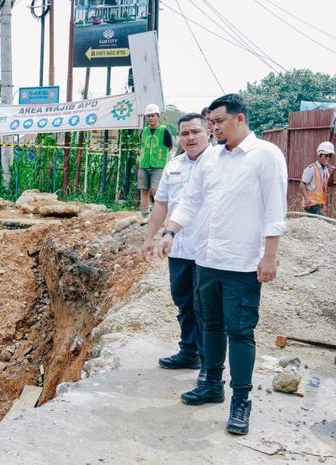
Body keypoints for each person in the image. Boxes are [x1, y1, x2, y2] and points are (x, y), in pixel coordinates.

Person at [157, 94, 287, 436]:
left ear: (240, 119)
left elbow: (275, 211)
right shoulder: (211, 159)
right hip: (207, 260)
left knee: (240, 332)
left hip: (243, 263)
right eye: (210, 123)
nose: (212, 129)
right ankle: (211, 384)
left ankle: (240, 401)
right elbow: (190, 202)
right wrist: (170, 231)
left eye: (218, 122)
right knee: (211, 325)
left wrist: (269, 257)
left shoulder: (266, 156)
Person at [142, 113, 212, 385]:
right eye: (184, 134)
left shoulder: (218, 164)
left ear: (208, 132)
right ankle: (189, 351)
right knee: (183, 301)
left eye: (195, 132)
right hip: (179, 248)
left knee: (205, 307)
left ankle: (209, 364)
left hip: (208, 250)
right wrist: (150, 237)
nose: (190, 138)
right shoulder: (175, 165)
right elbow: (161, 204)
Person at [138, 103, 174, 218]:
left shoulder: (164, 131)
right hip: (144, 165)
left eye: (153, 115)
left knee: (156, 191)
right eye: (148, 116)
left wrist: (159, 156)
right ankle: (145, 215)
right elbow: (142, 146)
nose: (150, 118)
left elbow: (169, 146)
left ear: (158, 116)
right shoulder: (143, 131)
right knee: (144, 190)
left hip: (158, 166)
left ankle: (159, 214)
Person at [300, 141, 335, 217]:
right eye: (325, 155)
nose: (328, 158)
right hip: (311, 204)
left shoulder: (325, 170)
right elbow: (302, 185)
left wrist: (332, 174)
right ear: (320, 154)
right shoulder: (311, 168)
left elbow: (330, 184)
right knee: (323, 221)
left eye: (330, 156)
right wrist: (306, 199)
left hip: (319, 204)